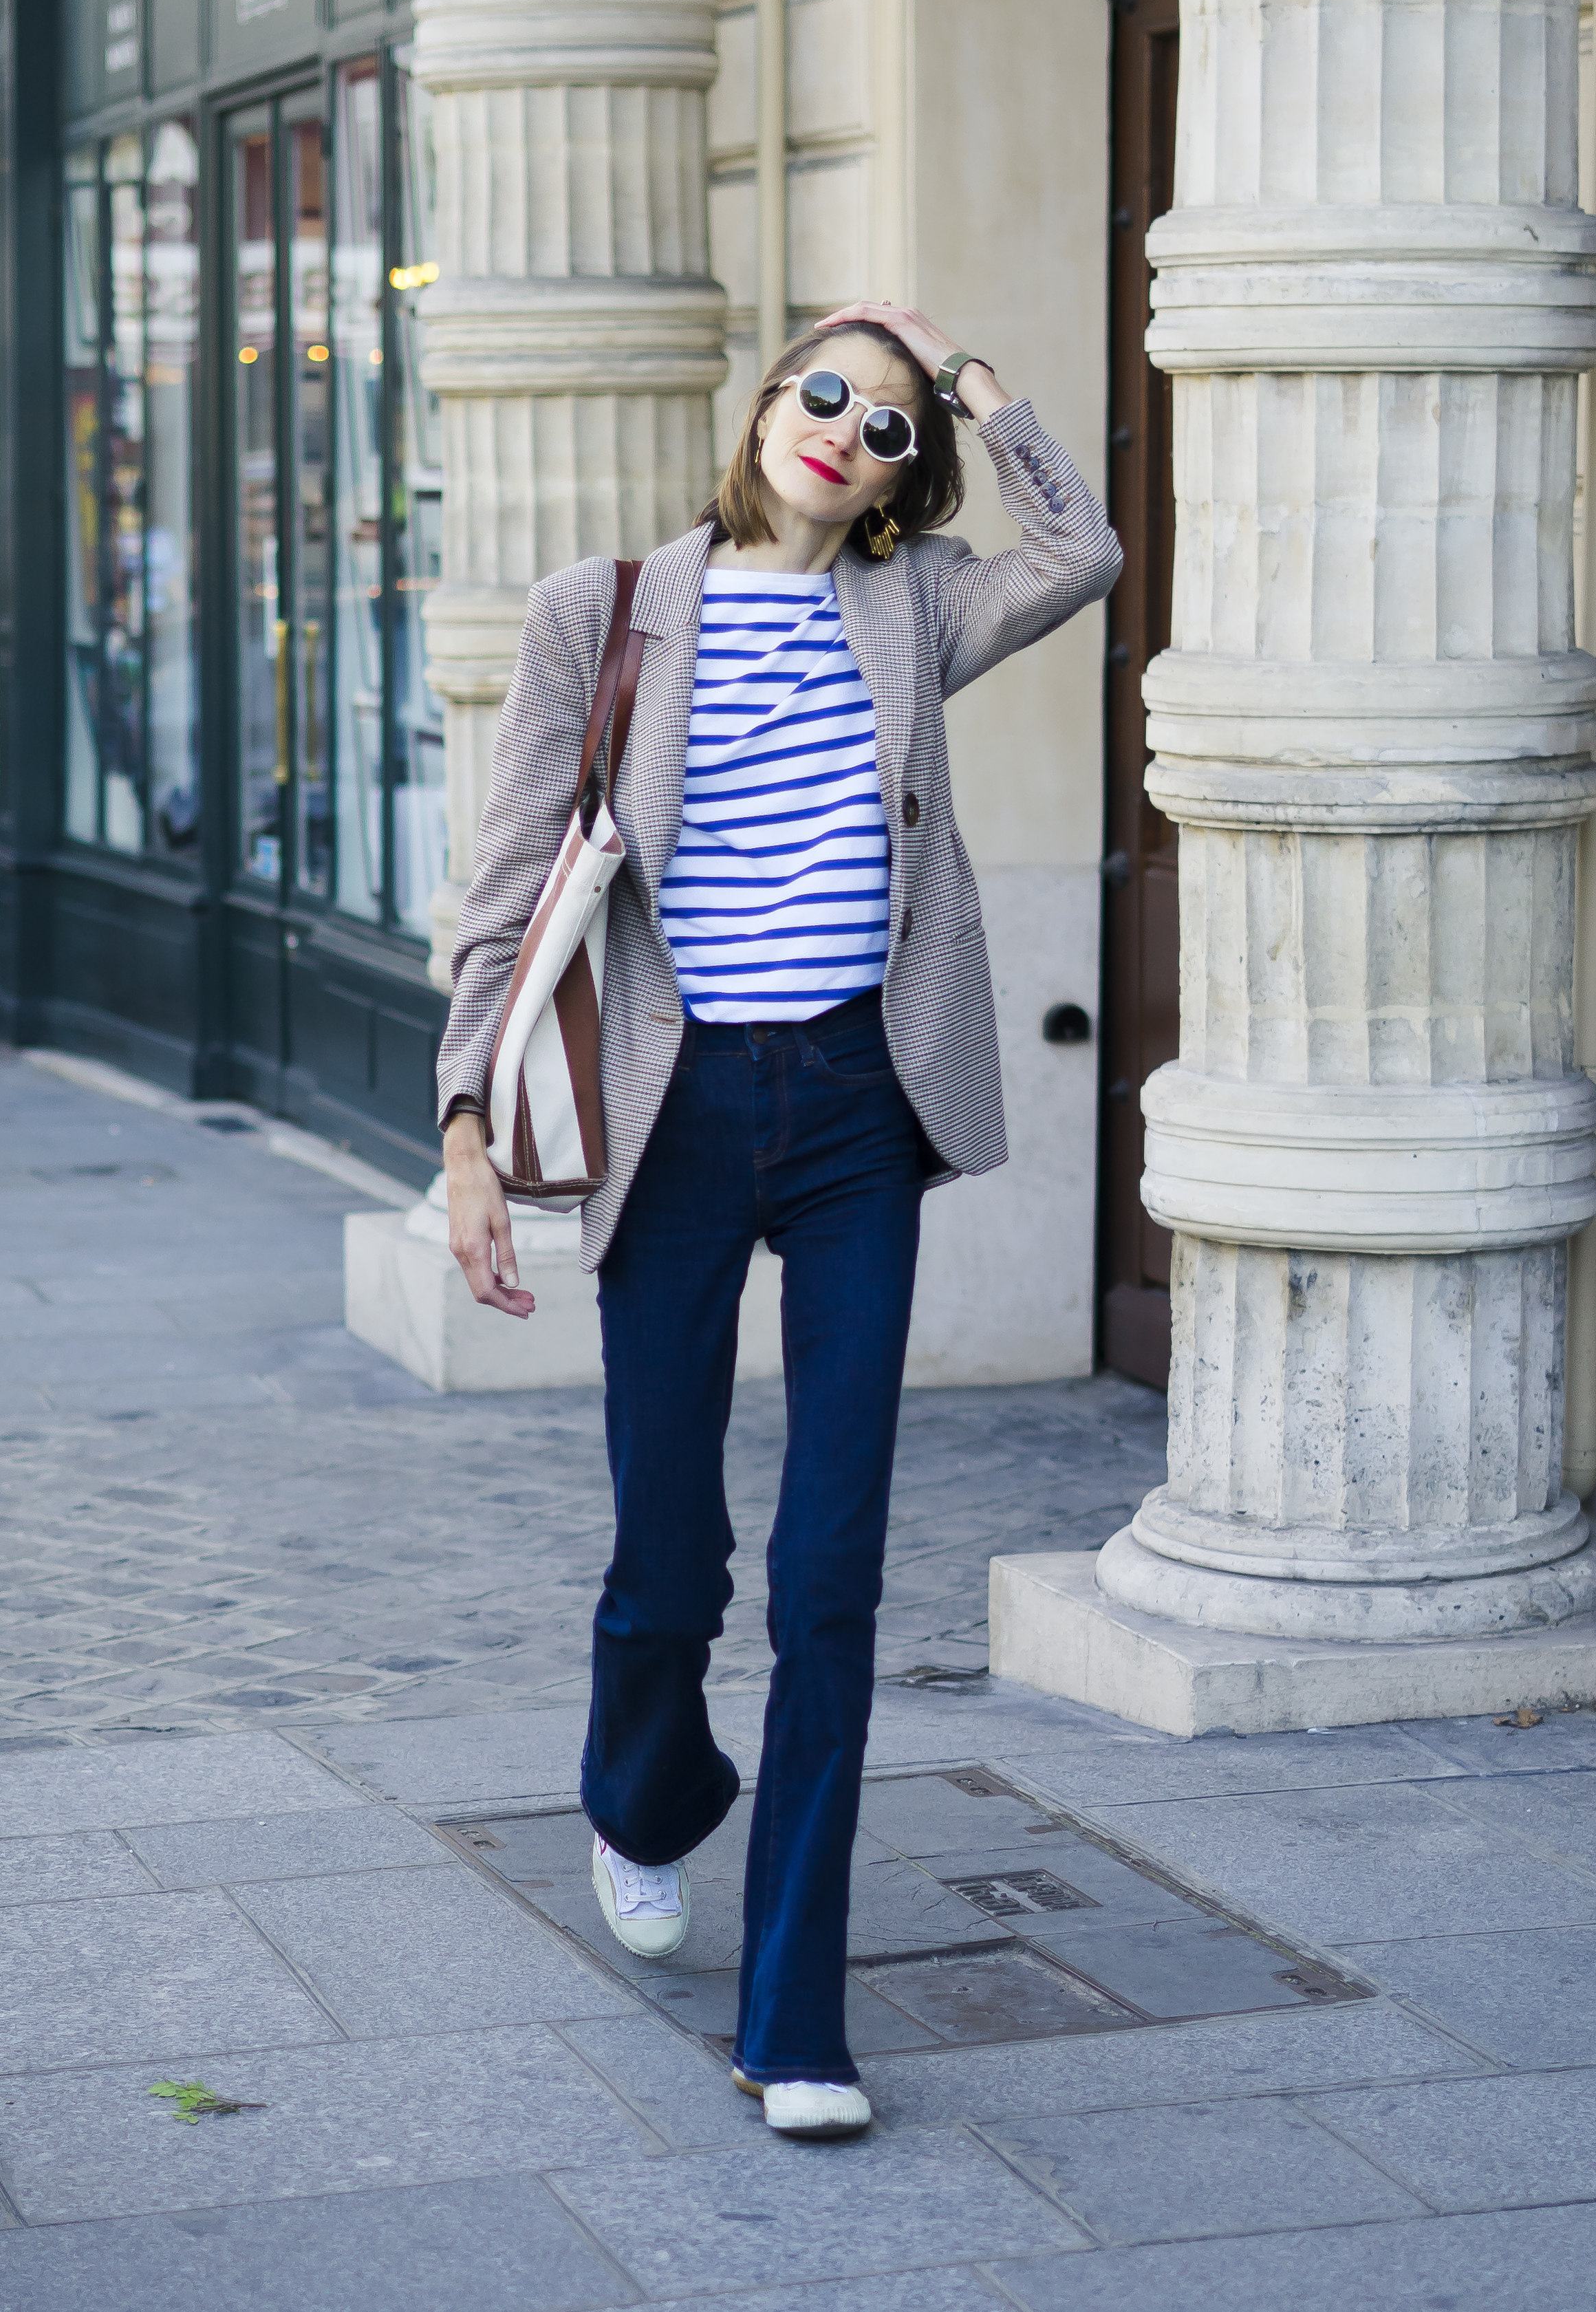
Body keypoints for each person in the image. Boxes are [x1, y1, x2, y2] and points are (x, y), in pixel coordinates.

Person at [438, 303, 1122, 2139]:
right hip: (671, 1116)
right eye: (823, 391)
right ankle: (644, 1797)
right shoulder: (603, 610)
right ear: (761, 410)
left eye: (887, 423)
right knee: (671, 1556)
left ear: (904, 479)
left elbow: (1080, 551)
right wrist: (466, 1129)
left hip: (853, 1111)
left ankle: (796, 2021)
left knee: (831, 1574)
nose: (845, 426)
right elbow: (507, 890)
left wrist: (982, 390)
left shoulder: (919, 606)